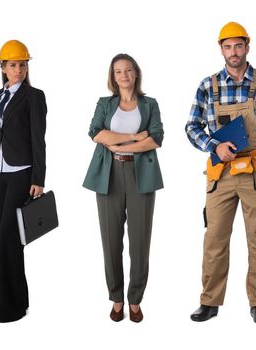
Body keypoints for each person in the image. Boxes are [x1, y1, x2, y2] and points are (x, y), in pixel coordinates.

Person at [184, 21, 256, 325]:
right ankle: (210, 301)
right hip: (221, 174)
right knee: (214, 238)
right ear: (221, 49)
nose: (233, 52)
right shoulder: (208, 86)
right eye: (227, 47)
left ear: (247, 46)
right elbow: (191, 127)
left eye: (238, 46)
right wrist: (213, 145)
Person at [82, 53, 164, 323]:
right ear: (113, 76)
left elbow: (155, 139)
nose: (124, 75)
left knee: (140, 242)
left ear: (136, 73)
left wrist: (120, 143)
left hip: (141, 175)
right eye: (118, 71)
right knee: (111, 240)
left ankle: (135, 299)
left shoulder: (150, 104)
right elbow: (95, 132)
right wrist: (130, 138)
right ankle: (116, 297)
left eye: (128, 70)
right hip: (109, 175)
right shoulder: (105, 104)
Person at [0, 40, 47, 322]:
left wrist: (38, 178)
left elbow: (37, 140)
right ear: (3, 67)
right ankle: (12, 300)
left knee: (9, 236)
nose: (19, 70)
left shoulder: (34, 97)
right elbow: (1, 135)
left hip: (21, 173)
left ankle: (11, 307)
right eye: (14, 65)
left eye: (23, 64)